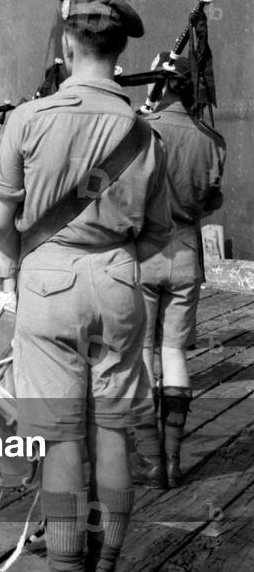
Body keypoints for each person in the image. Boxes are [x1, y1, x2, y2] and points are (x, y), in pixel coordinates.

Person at [0, 0, 174, 572]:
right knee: (114, 427)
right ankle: (110, 556)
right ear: (119, 50)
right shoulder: (146, 132)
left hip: (46, 279)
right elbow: (158, 231)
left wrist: (21, 264)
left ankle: (67, 563)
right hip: (119, 280)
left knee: (62, 433)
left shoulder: (28, 118)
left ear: (69, 42)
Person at [132, 54, 226, 490]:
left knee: (144, 357)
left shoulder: (143, 132)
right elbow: (210, 200)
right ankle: (173, 461)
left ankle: (150, 462)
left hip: (145, 253)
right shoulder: (212, 140)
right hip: (187, 253)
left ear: (163, 85)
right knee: (174, 354)